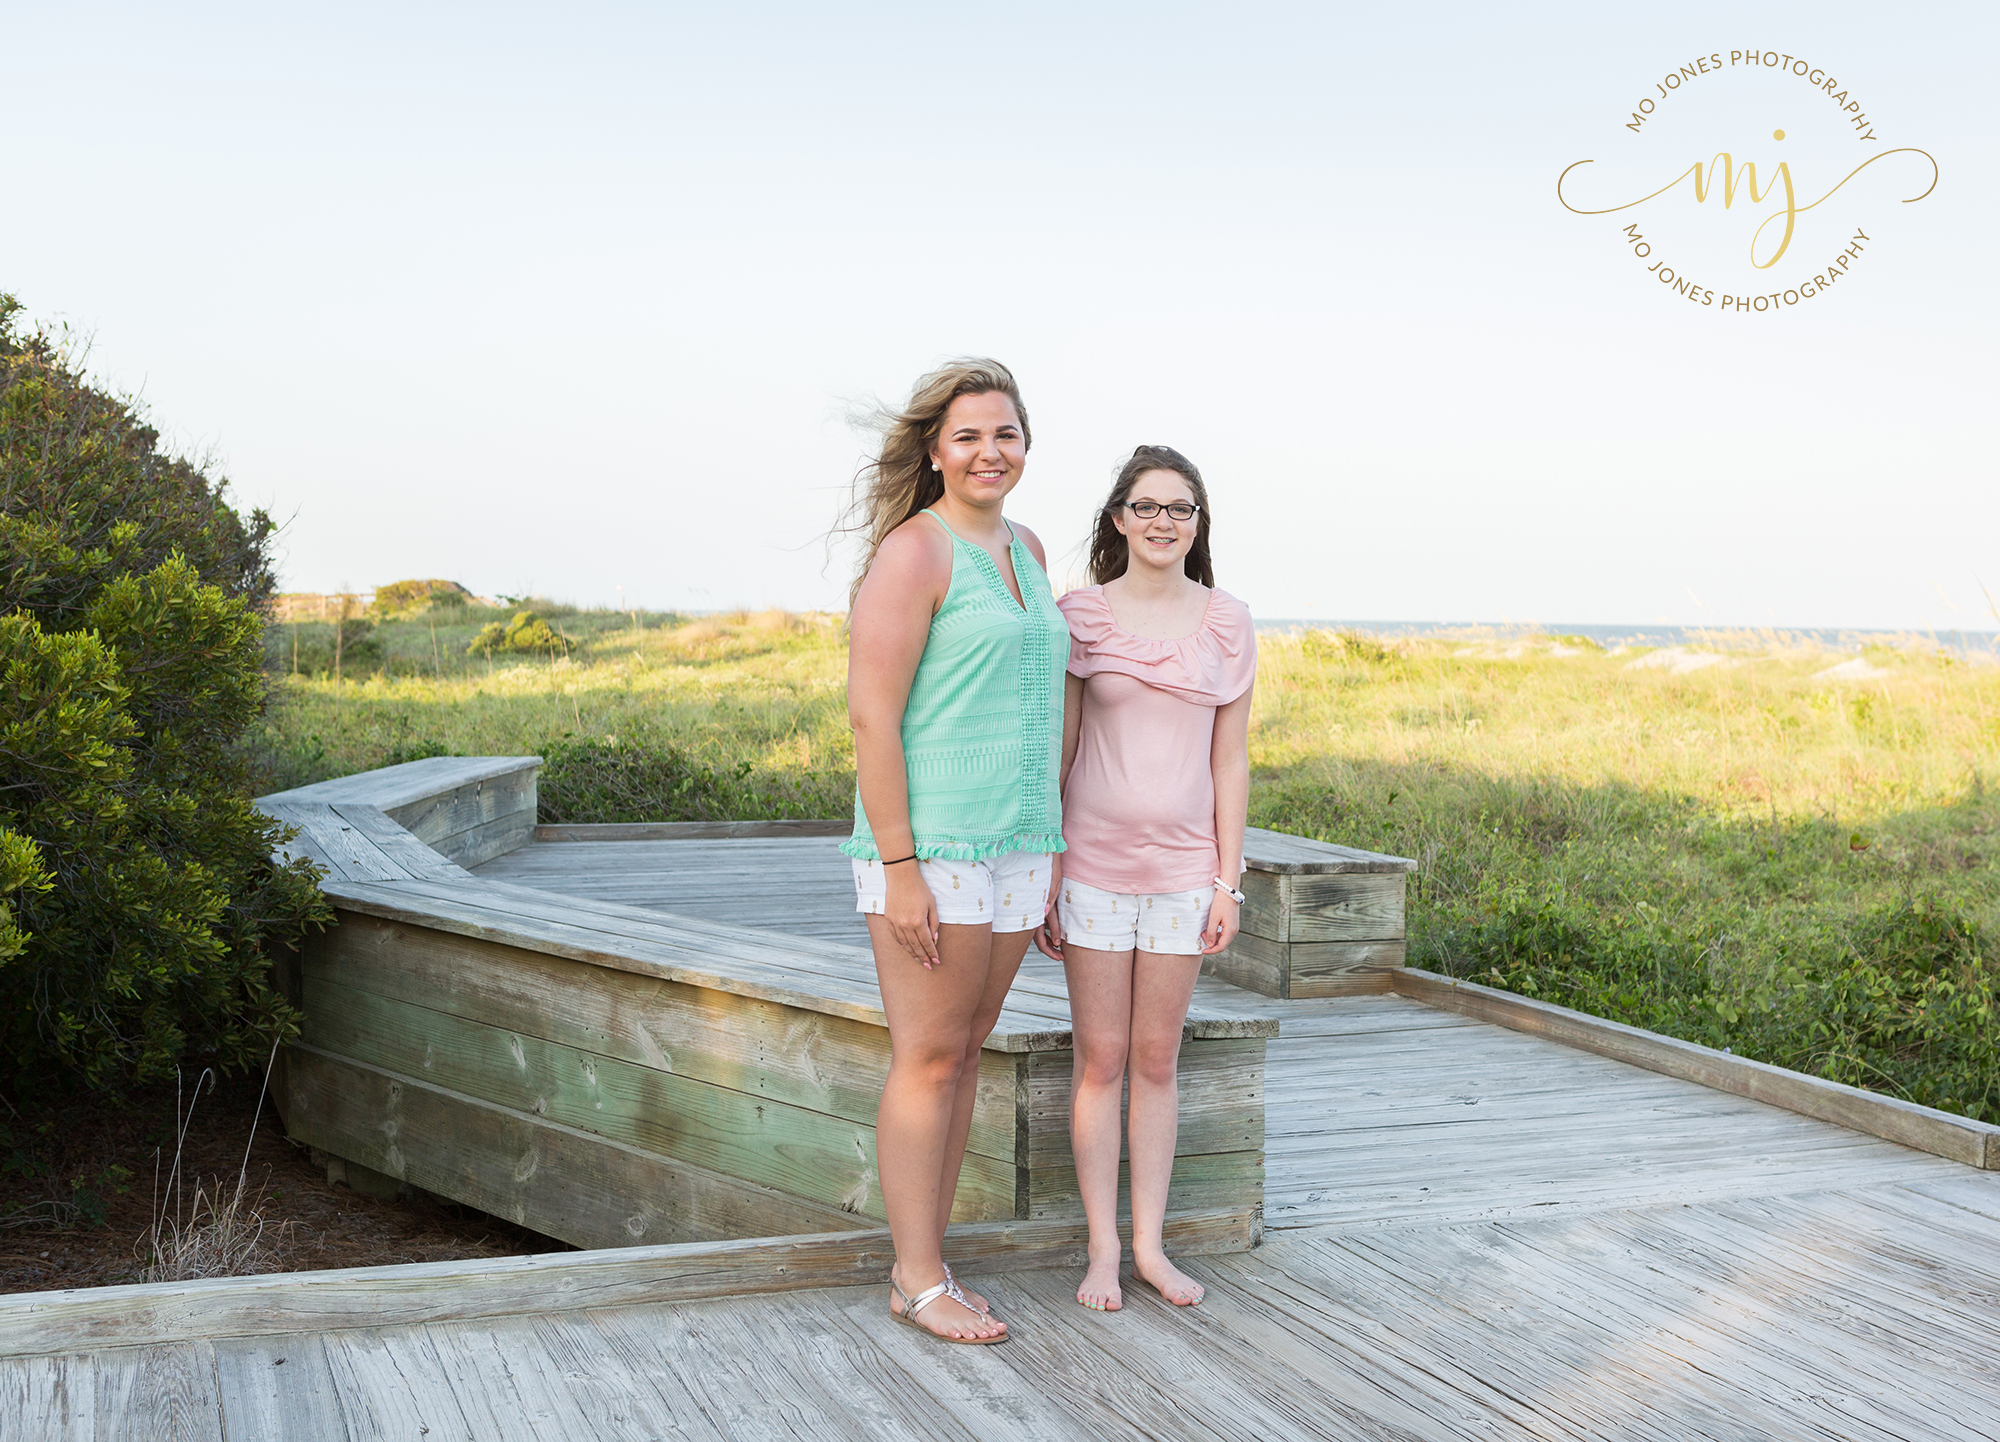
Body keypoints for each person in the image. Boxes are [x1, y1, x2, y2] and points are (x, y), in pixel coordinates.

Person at [841, 358, 1069, 1344]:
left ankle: (928, 1261)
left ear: (1025, 446)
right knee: (928, 1057)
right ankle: (915, 1277)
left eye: (1005, 434)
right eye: (968, 435)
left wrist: (1054, 842)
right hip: (931, 846)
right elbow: (871, 717)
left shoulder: (1029, 548)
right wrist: (899, 869)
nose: (989, 451)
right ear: (935, 451)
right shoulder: (914, 554)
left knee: (964, 1053)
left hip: (1020, 842)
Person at [1042, 444, 1255, 1312]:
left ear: (1198, 525)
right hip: (1092, 869)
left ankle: (1149, 1249)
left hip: (1184, 876)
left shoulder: (1229, 621)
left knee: (1157, 1059)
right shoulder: (1081, 616)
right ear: (1119, 519)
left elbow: (1231, 759)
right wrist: (1050, 866)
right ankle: (1101, 1252)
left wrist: (1227, 882)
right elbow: (1058, 750)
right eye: (1147, 506)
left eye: (1181, 508)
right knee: (1101, 1059)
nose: (1164, 521)